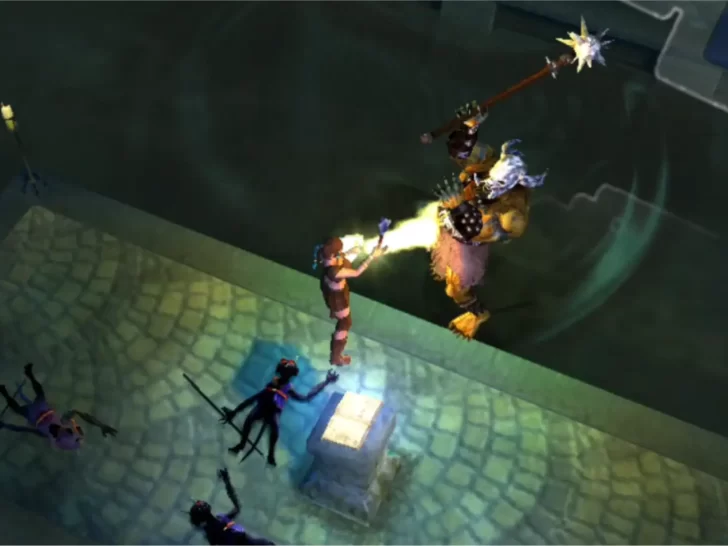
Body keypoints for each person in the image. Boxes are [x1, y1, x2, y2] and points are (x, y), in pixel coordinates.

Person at [222, 360, 338, 466]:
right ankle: (242, 444)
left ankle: (270, 454)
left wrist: (326, 382)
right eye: (285, 372)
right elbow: (254, 398)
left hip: (273, 411)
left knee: (274, 430)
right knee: (250, 419)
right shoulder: (273, 384)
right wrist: (235, 411)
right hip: (262, 407)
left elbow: (306, 397)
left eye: (288, 373)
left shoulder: (287, 388)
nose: (286, 375)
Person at [0, 363, 117, 450]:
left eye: (62, 435)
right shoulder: (64, 423)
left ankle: (4, 392)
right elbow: (80, 414)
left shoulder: (45, 434)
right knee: (39, 393)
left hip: (32, 414)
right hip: (42, 407)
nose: (63, 431)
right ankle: (29, 374)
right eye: (68, 432)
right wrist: (100, 425)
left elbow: (24, 429)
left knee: (17, 408)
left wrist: (5, 425)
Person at [314, 237, 385, 365]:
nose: (341, 253)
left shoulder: (325, 255)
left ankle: (334, 314)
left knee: (346, 262)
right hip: (338, 299)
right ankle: (336, 357)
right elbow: (356, 272)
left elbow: (340, 257)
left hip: (332, 292)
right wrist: (371, 257)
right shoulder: (334, 272)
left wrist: (354, 251)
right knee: (345, 323)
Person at [189, 468, 275, 545]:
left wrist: (227, 482)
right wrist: (227, 482)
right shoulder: (220, 522)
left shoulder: (212, 531)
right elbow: (237, 507)